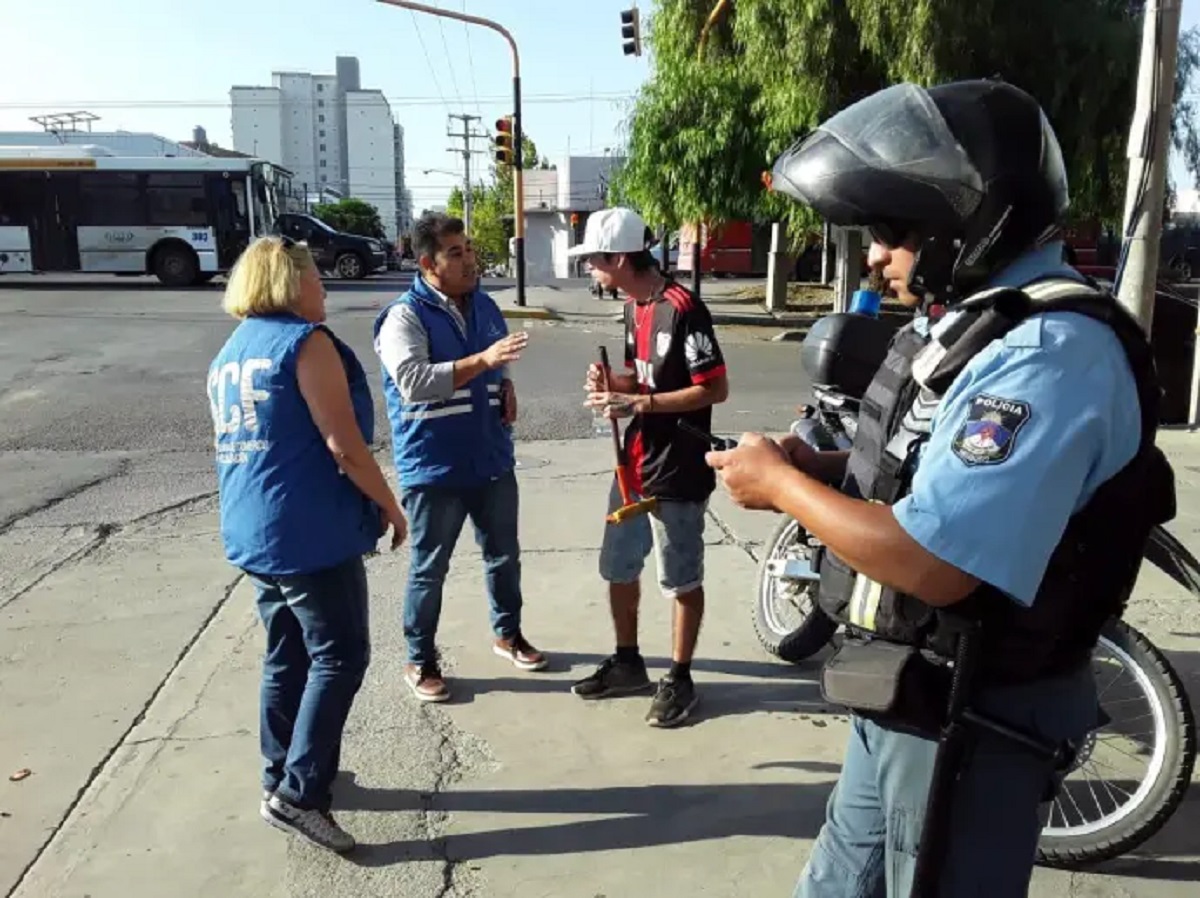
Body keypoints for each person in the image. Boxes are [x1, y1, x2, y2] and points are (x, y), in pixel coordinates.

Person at [706, 80, 1174, 896]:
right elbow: (924, 470)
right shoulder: (975, 323)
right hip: (906, 692)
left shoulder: (1048, 353)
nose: (877, 256)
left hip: (974, 718)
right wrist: (819, 468)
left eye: (893, 233)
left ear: (972, 226)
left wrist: (781, 487)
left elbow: (935, 561)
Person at [207, 236, 408, 854]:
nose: (323, 287)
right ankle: (301, 794)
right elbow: (342, 445)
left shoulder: (234, 349)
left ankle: (282, 775)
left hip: (254, 526)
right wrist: (388, 503)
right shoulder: (304, 344)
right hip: (306, 530)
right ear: (289, 284)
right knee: (340, 655)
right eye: (315, 278)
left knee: (287, 653)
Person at [373, 212, 547, 704]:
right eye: (456, 253)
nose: (470, 259)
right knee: (430, 568)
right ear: (428, 264)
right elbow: (415, 382)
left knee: (504, 556)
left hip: (491, 458)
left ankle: (508, 634)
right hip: (434, 466)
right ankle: (420, 659)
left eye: (469, 249)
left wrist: (506, 386)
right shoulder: (403, 317)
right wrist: (485, 363)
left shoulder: (486, 306)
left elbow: (499, 364)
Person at [569, 207, 730, 728]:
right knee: (618, 566)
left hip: (678, 467)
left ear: (618, 257)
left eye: (593, 260)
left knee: (681, 577)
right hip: (632, 464)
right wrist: (614, 383)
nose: (589, 269)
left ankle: (679, 676)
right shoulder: (631, 306)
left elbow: (714, 388)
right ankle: (627, 660)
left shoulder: (683, 308)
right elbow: (645, 381)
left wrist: (640, 405)